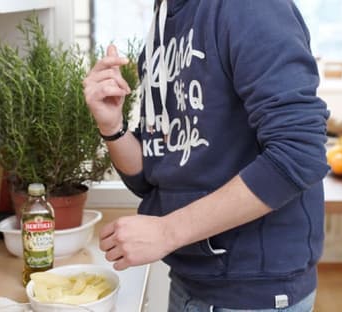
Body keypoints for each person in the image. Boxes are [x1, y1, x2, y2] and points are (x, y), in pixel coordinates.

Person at [83, 0, 329, 311]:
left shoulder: (249, 8)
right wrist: (112, 126)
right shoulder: (163, 23)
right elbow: (153, 173)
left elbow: (299, 152)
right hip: (190, 280)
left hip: (253, 294)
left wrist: (167, 231)